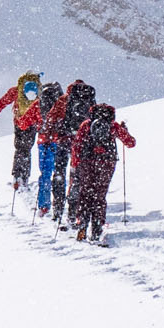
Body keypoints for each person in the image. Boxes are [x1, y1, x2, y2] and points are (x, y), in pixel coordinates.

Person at [68, 101, 134, 243]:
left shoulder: (86, 125)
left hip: (87, 162)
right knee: (100, 195)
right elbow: (131, 143)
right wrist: (124, 130)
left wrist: (75, 164)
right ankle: (97, 229)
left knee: (85, 193)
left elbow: (76, 146)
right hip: (106, 163)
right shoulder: (113, 126)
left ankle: (82, 224)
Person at [0, 71, 45, 190]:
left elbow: (2, 103)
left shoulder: (16, 90)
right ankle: (24, 177)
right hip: (32, 124)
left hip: (19, 122)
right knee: (27, 149)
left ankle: (17, 176)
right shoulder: (40, 92)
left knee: (19, 148)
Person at [48, 79, 98, 227]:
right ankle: (73, 212)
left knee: (59, 172)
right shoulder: (90, 99)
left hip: (63, 139)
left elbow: (51, 118)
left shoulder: (63, 99)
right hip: (81, 142)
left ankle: (57, 208)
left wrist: (53, 132)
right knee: (76, 176)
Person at [31, 80, 67, 215]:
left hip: (43, 141)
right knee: (59, 173)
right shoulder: (63, 103)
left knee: (45, 173)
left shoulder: (38, 103)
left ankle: (44, 205)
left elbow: (26, 121)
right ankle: (59, 205)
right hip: (59, 141)